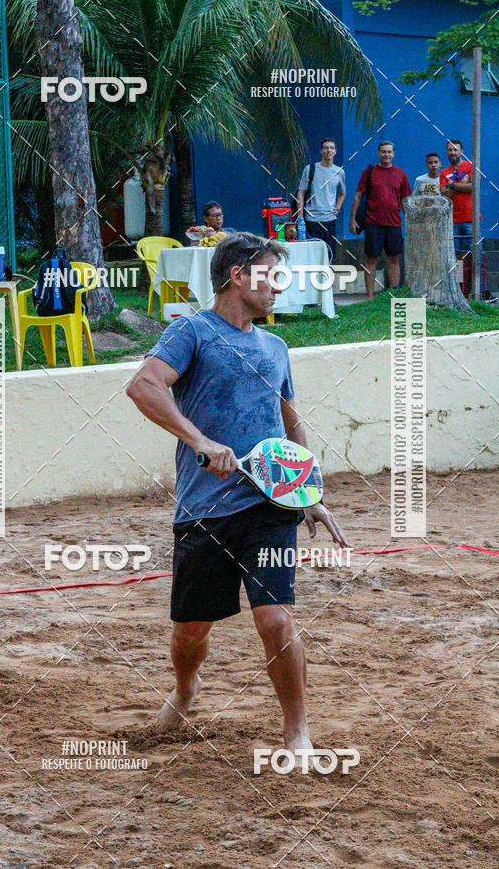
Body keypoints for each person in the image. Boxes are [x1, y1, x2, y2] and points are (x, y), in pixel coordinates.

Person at [126, 232, 348, 759]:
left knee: (275, 618)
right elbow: (143, 386)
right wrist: (199, 440)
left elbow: (290, 424)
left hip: (269, 508)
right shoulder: (193, 332)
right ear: (237, 277)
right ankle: (186, 688)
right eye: (272, 276)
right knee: (190, 632)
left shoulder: (276, 347)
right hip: (204, 510)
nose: (280, 287)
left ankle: (296, 733)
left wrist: (306, 493)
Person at [349, 142, 411, 298]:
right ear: (379, 153)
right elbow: (357, 197)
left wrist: (409, 221)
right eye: (384, 152)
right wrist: (352, 220)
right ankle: (370, 296)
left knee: (394, 259)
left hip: (394, 223)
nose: (387, 155)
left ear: (394, 154)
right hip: (373, 223)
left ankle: (394, 294)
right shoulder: (369, 172)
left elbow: (405, 200)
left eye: (389, 152)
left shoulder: (401, 174)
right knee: (371, 259)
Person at [294, 138, 346, 260]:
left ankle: (326, 278)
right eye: (326, 148)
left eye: (332, 148)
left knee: (329, 255)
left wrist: (337, 208)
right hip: (311, 220)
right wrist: (300, 216)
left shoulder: (339, 172)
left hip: (329, 220)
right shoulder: (310, 169)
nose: (329, 150)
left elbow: (343, 193)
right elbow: (301, 192)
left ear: (335, 151)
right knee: (311, 256)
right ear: (321, 151)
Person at [440, 139, 474, 276]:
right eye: (450, 150)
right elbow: (444, 194)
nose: (453, 152)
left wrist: (453, 185)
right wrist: (462, 184)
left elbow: (472, 188)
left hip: (471, 219)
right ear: (446, 152)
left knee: (474, 255)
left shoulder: (470, 166)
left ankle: (477, 290)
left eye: (455, 149)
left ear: (461, 151)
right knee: (457, 258)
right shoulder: (444, 173)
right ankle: (460, 290)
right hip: (452, 220)